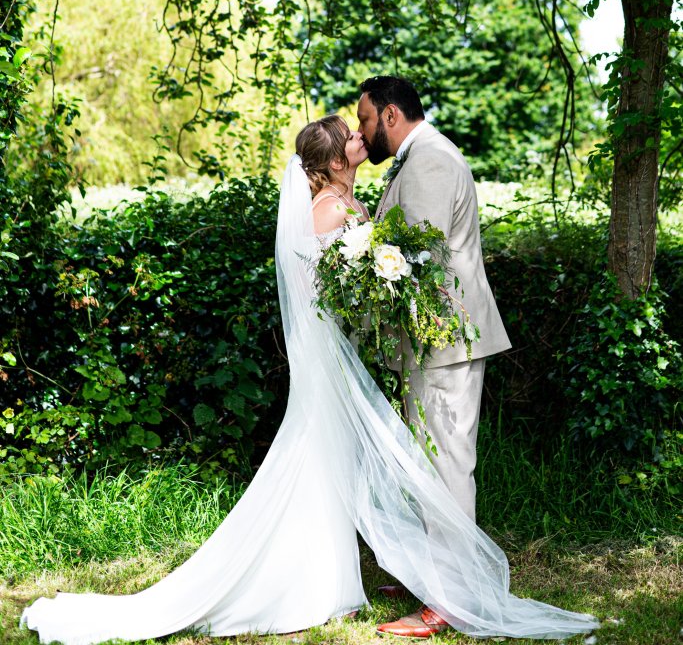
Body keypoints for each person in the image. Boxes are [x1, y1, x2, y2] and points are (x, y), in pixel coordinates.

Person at [21, 115, 598, 644]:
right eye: (350, 136)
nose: (359, 138)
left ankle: (335, 581)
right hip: (326, 358)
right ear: (334, 161)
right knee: (322, 459)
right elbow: (336, 286)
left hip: (334, 352)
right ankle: (317, 585)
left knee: (331, 461)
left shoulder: (344, 203)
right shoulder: (332, 211)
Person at [356, 75, 511, 636]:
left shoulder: (429, 160)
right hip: (433, 340)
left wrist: (356, 251)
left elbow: (416, 249)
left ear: (391, 115)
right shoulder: (419, 157)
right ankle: (435, 576)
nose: (362, 131)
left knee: (446, 466)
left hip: (446, 340)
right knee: (430, 462)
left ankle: (449, 601)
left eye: (366, 119)